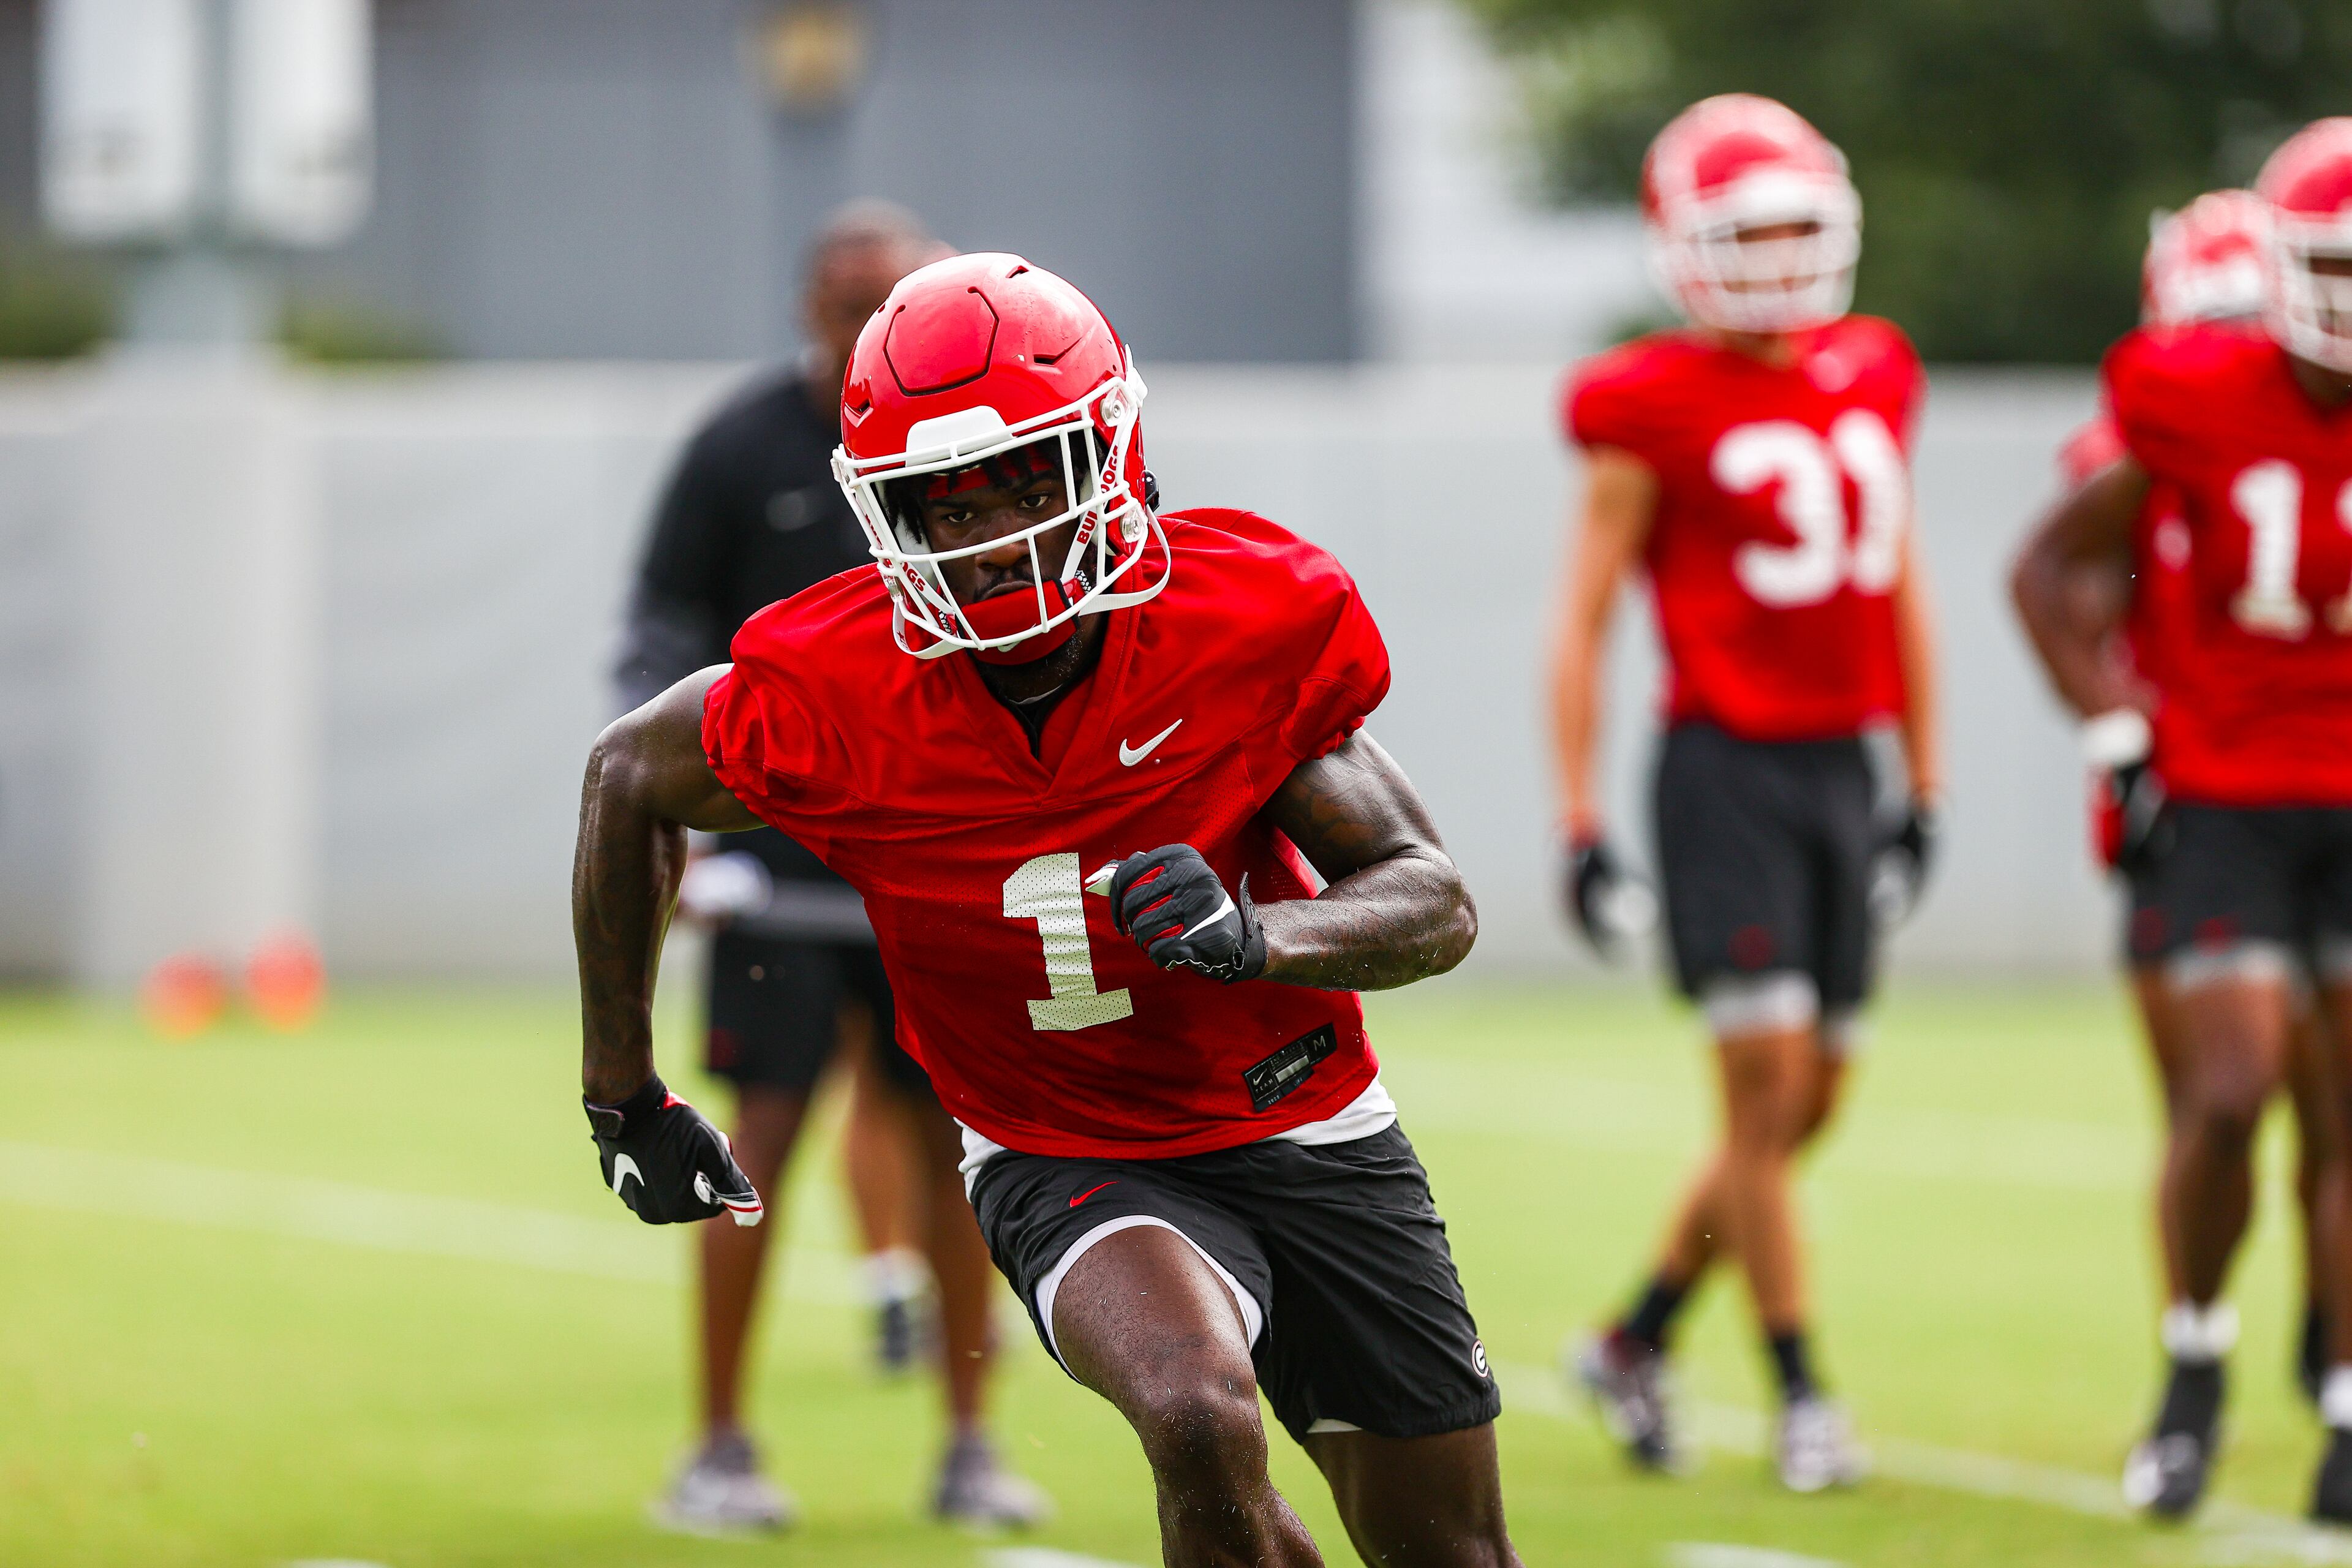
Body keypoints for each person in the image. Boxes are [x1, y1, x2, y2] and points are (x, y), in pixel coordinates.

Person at [574, 251, 1521, 1567]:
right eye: (945, 505)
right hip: (1063, 1148)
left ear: (1113, 451)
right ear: (885, 513)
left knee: (1453, 1552)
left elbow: (1434, 900)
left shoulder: (1234, 621)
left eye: (1027, 477)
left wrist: (1258, 938)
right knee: (1194, 1408)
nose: (997, 536)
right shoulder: (837, 684)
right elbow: (627, 772)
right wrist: (622, 1092)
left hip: (1304, 1115)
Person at [611, 200, 1045, 1532]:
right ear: (810, 307)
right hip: (781, 870)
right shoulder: (740, 446)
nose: (873, 321)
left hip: (932, 857)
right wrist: (689, 837)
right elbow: (657, 640)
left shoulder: (967, 444)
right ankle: (719, 1441)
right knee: (759, 1142)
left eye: (898, 296)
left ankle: (971, 1440)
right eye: (851, 298)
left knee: (962, 1150)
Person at [1548, 94, 1942, 1491]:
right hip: (1723, 770)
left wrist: (1926, 781)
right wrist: (1580, 820)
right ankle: (1800, 1390)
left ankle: (1633, 1335)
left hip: (1842, 765)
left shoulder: (1876, 369)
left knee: (1803, 1106)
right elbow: (1585, 617)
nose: (1775, 257)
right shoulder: (1643, 401)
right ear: (1682, 245)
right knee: (1765, 1091)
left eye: (1793, 228)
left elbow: (1899, 581)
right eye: (1746, 230)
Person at [2011, 122, 2352, 1523]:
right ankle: (2197, 1366)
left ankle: (2340, 1405)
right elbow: (2049, 565)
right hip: (2223, 795)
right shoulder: (2193, 393)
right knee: (2227, 1096)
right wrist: (2116, 723)